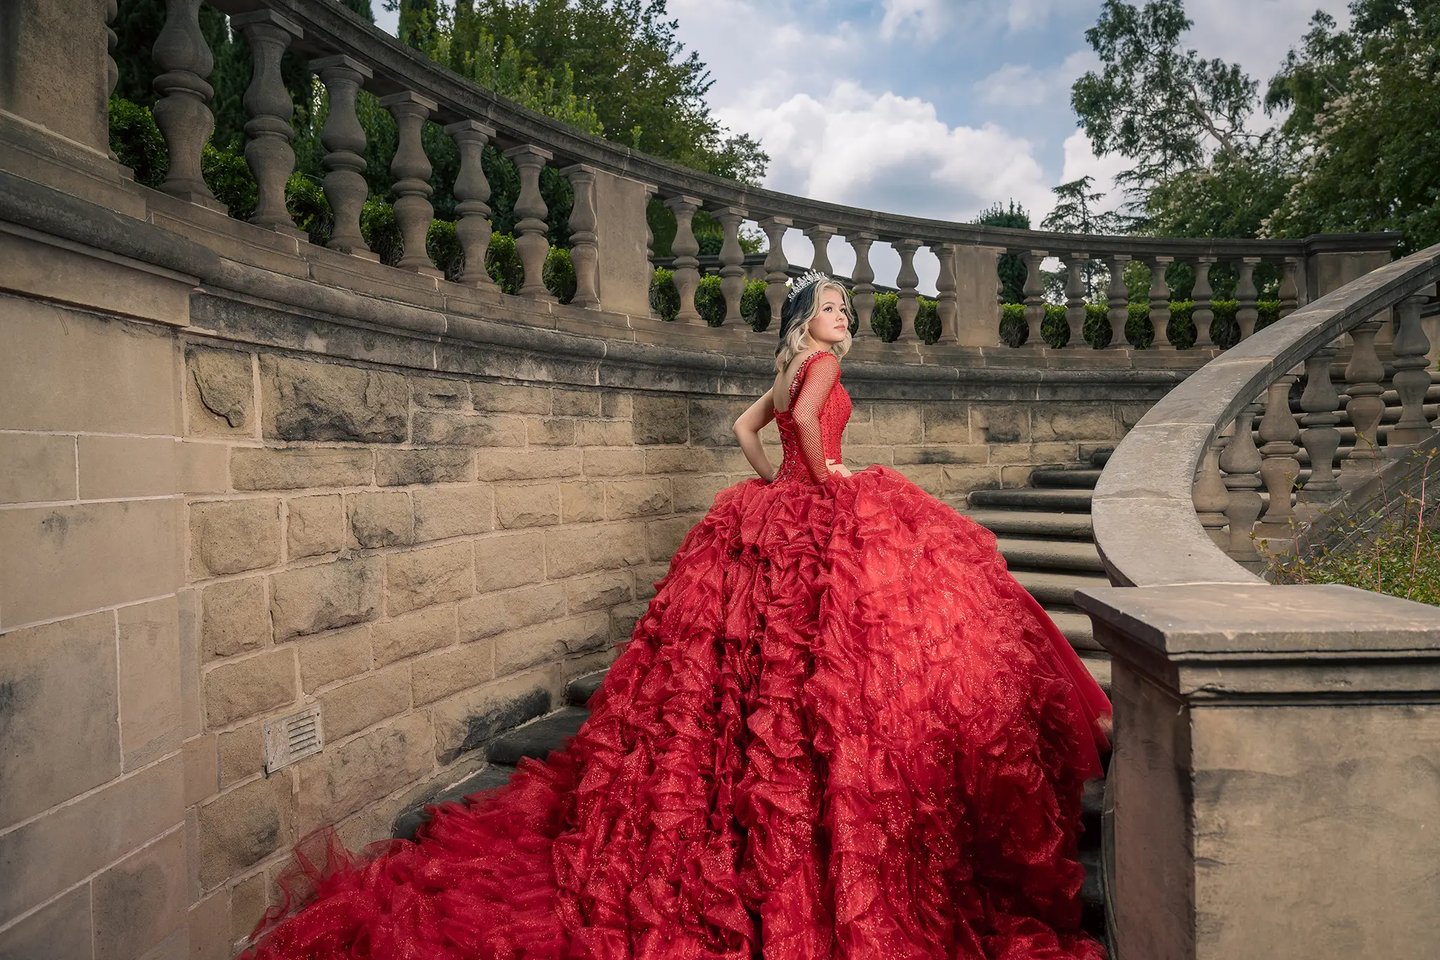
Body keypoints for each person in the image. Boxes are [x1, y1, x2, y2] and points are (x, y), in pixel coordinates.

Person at [247, 271, 1113, 960]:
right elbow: (807, 424)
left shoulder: (778, 372)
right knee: (860, 648)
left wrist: (774, 479)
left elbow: (748, 430)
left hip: (772, 508)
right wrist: (825, 477)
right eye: (833, 308)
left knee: (758, 662)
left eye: (847, 308)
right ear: (806, 320)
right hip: (822, 503)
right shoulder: (821, 371)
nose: (845, 318)